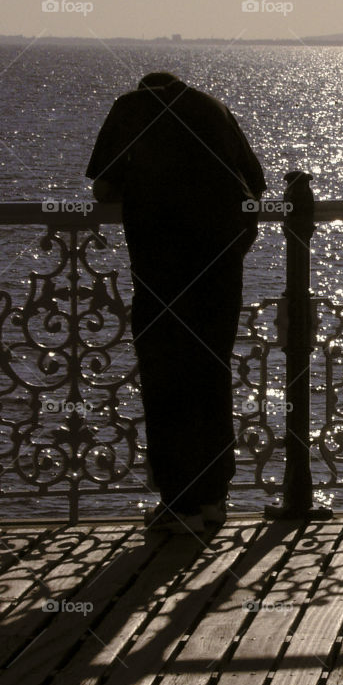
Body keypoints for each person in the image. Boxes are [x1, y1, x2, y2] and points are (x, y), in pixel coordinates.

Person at [86, 72, 266, 534]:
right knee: (211, 371)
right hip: (223, 256)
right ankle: (214, 500)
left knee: (167, 375)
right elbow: (256, 182)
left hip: (164, 264)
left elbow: (103, 190)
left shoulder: (133, 107)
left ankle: (178, 503)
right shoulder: (214, 108)